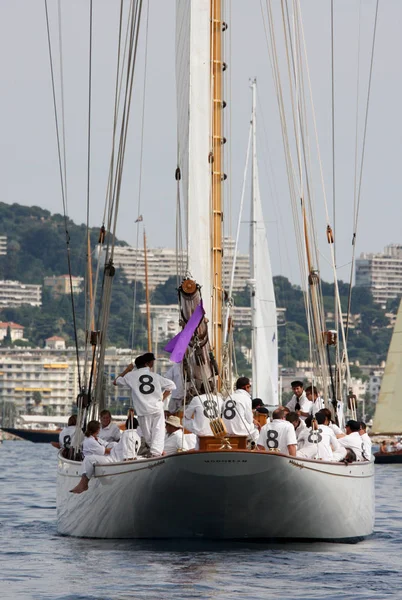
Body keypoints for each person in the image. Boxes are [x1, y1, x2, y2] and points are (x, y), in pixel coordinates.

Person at [114, 352, 175, 458]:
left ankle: (156, 453)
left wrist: (128, 369)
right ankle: (157, 453)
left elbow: (116, 381)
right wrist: (161, 399)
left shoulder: (131, 376)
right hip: (157, 408)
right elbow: (171, 385)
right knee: (158, 431)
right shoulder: (155, 376)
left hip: (143, 410)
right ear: (147, 363)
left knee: (148, 436)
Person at [70, 420, 112, 494]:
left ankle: (102, 482)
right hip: (93, 461)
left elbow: (106, 444)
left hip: (91, 461)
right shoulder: (91, 441)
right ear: (97, 430)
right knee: (90, 460)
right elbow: (106, 451)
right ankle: (84, 484)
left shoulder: (91, 439)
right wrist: (118, 449)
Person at [222, 377, 259, 443]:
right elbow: (249, 420)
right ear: (246, 387)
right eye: (249, 386)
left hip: (226, 430)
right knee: (256, 431)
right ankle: (251, 450)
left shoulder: (228, 397)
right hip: (240, 431)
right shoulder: (246, 398)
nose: (250, 389)